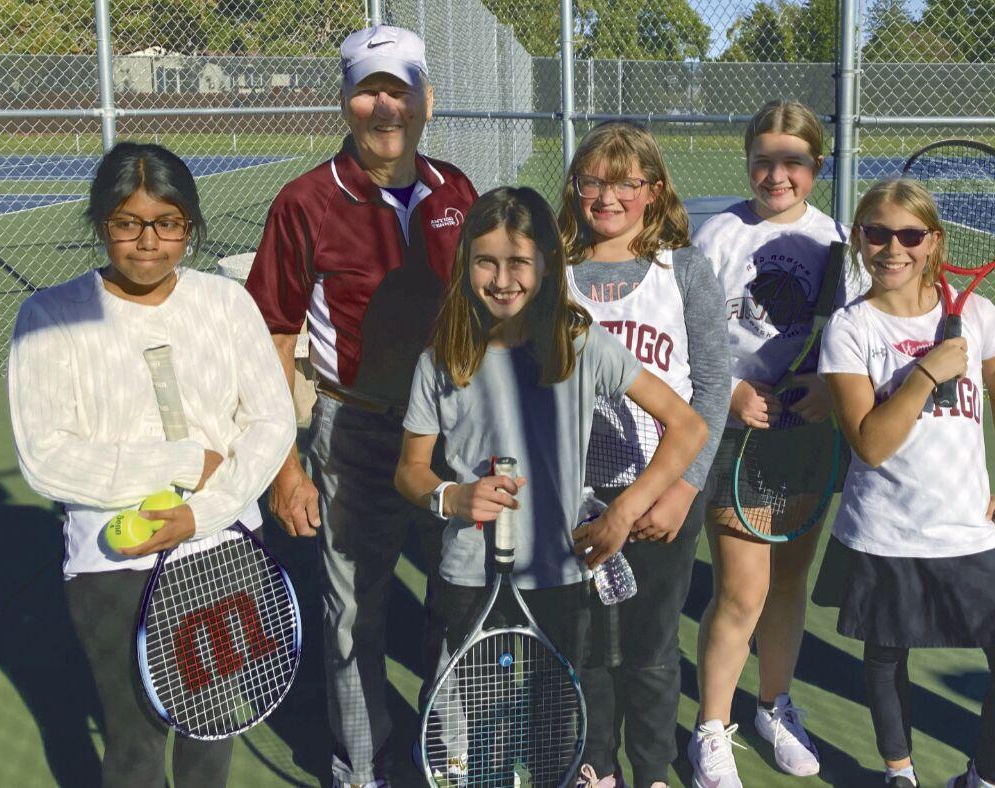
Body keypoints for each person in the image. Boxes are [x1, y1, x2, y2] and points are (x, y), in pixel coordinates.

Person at [393, 186, 707, 784]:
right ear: (465, 265)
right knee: (478, 737)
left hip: (559, 577)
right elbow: (410, 469)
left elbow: (688, 427)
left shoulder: (580, 344)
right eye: (486, 262)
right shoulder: (441, 359)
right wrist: (452, 497)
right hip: (470, 577)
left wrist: (623, 513)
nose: (502, 279)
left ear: (546, 264)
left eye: (519, 262)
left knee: (552, 733)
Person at [8, 142, 296, 787]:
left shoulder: (226, 303)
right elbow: (45, 458)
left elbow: (271, 421)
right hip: (113, 566)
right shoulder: (48, 317)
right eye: (127, 222)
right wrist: (184, 460)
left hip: (224, 552)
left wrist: (203, 514)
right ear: (100, 222)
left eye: (168, 223)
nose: (148, 241)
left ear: (189, 226)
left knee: (210, 723)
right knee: (135, 741)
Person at [243, 24, 479, 788]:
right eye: (368, 90)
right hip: (355, 430)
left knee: (461, 596)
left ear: (426, 101)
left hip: (452, 431)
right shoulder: (305, 201)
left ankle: (446, 752)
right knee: (353, 613)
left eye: (399, 89)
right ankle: (361, 768)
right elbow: (273, 336)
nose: (385, 107)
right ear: (345, 101)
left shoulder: (458, 191)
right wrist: (284, 466)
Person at [818, 179, 995, 787]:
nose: (893, 248)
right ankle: (900, 771)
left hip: (966, 529)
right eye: (877, 233)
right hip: (884, 529)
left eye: (909, 235)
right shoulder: (849, 329)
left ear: (934, 241)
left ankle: (986, 780)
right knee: (886, 656)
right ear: (859, 239)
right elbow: (870, 444)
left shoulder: (977, 314)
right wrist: (924, 374)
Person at [555, 121, 729, 788]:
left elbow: (713, 388)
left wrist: (684, 488)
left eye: (626, 183)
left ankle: (653, 768)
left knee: (651, 647)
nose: (607, 197)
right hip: (578, 495)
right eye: (592, 181)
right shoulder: (555, 273)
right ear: (574, 187)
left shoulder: (682, 269)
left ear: (654, 191)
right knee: (585, 644)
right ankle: (596, 764)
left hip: (660, 493)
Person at [688, 99, 855, 785]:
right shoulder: (718, 236)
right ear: (747, 161)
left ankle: (773, 706)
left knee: (788, 581)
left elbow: (854, 337)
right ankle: (710, 728)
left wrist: (830, 389)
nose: (777, 175)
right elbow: (688, 334)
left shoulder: (837, 240)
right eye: (764, 160)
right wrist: (730, 391)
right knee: (741, 591)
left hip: (807, 437)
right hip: (734, 436)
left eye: (794, 161)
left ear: (818, 165)